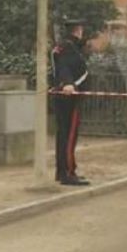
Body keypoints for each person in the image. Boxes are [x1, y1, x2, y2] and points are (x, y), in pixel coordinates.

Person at [51, 18, 90, 186]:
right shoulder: (68, 47)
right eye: (81, 29)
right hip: (69, 96)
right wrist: (68, 83)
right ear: (78, 30)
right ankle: (67, 172)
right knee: (68, 135)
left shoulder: (67, 46)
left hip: (67, 95)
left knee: (65, 134)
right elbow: (64, 66)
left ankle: (63, 171)